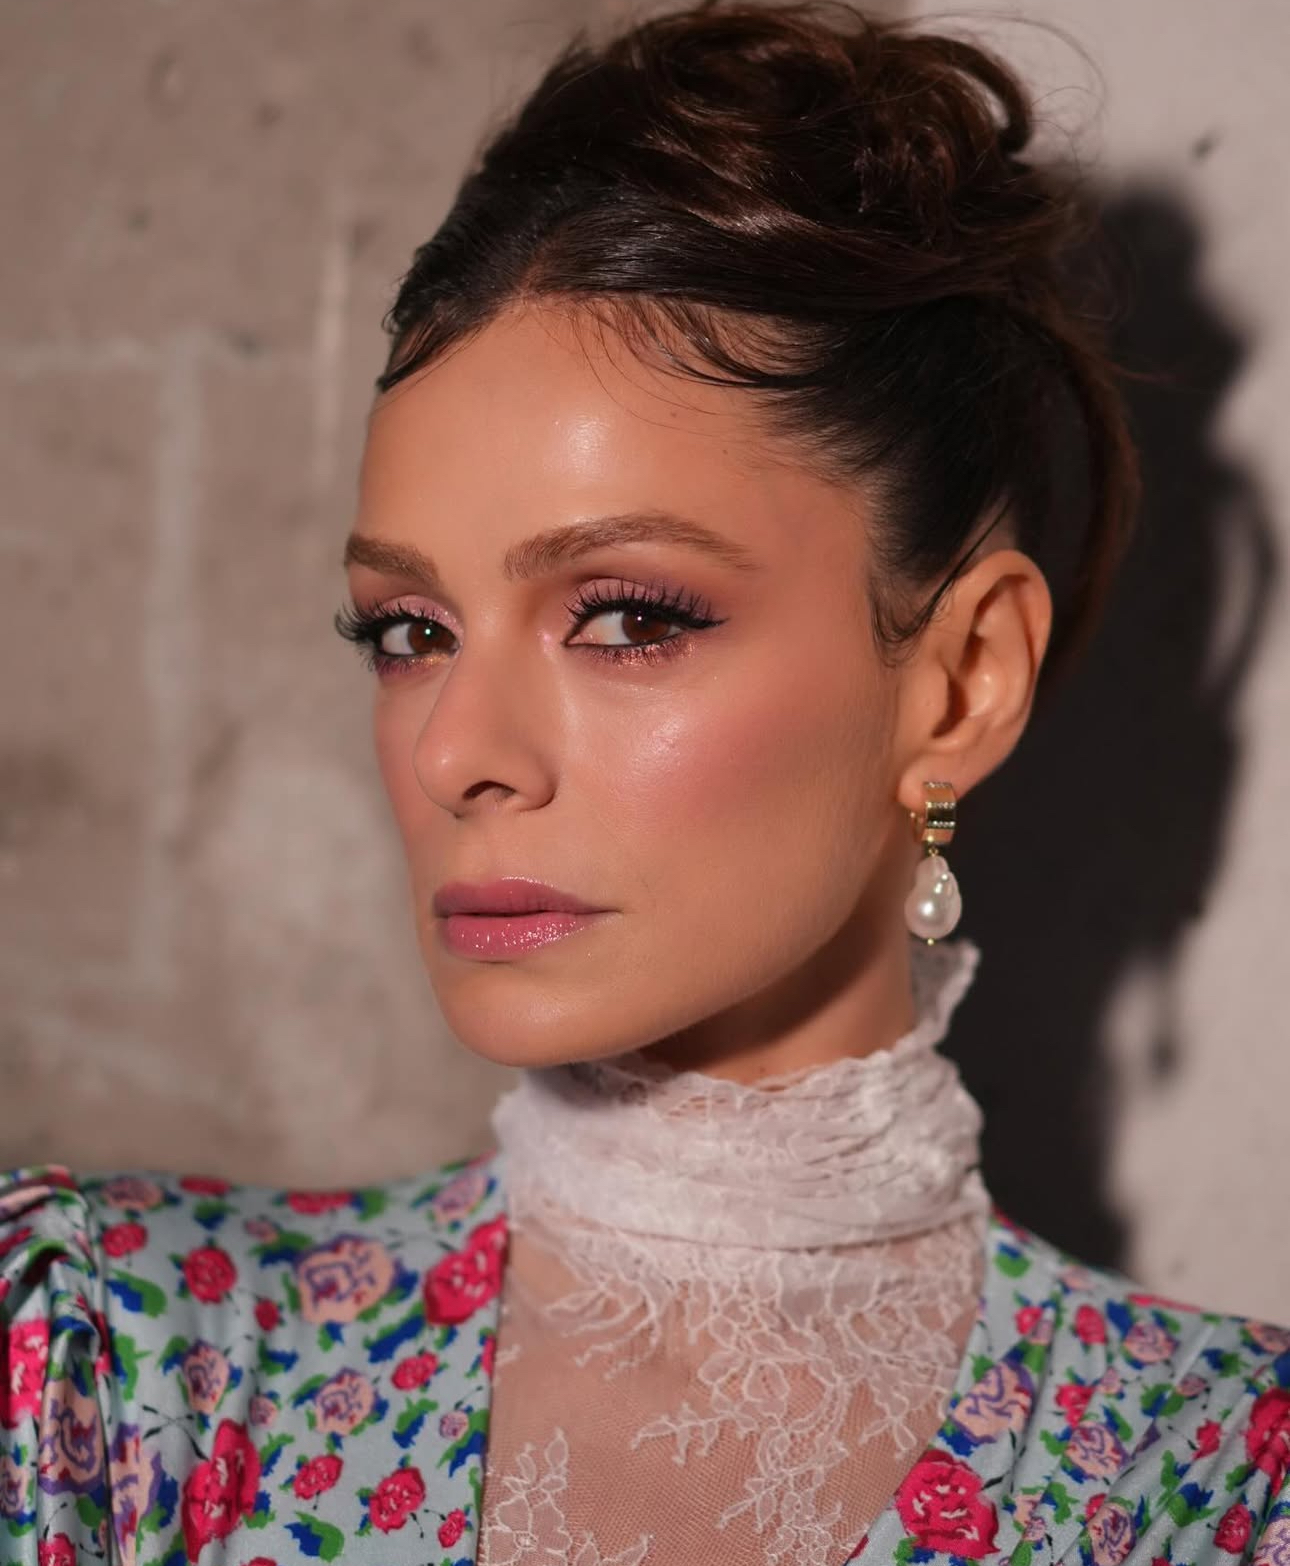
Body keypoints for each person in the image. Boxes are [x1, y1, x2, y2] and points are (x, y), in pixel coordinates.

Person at [3, 2, 1288, 1563]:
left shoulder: (1225, 1484)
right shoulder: (105, 1363)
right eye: (409, 630)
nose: (455, 750)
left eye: (625, 617)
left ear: (959, 681)